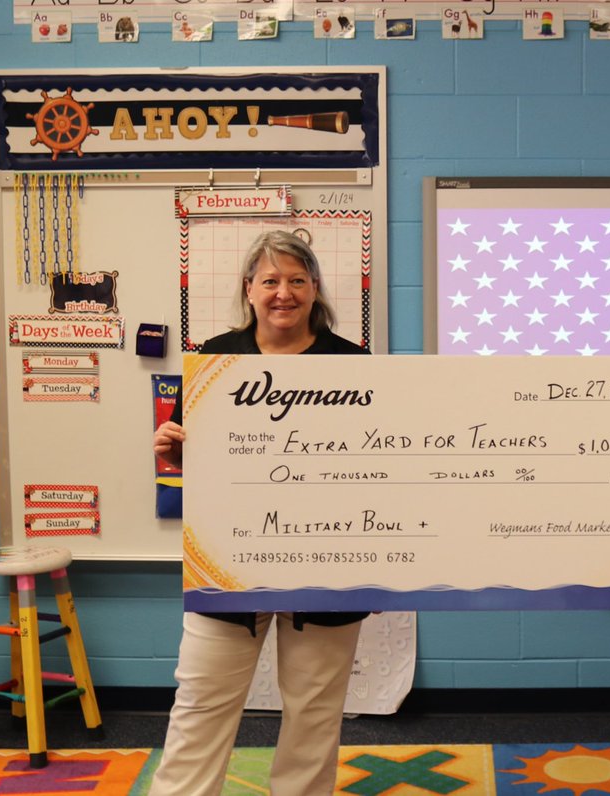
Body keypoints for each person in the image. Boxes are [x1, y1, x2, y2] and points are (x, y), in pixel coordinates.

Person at [150, 229, 368, 796]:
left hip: (327, 564)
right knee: (199, 706)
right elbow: (187, 463)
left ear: (315, 288)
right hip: (229, 564)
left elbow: (378, 456)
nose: (283, 293)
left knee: (314, 719)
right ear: (248, 289)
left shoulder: (355, 362)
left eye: (297, 280)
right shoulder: (214, 359)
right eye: (270, 280)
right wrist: (172, 448)